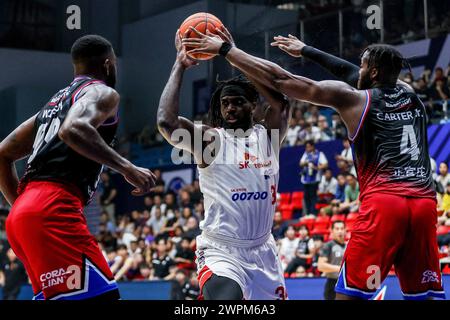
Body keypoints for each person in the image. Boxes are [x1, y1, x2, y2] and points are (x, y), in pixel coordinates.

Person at [184, 27, 445, 299]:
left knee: (349, 294)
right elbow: (352, 74)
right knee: (423, 294)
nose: (358, 69)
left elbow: (281, 80)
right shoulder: (412, 95)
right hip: (424, 203)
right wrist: (306, 50)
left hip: (385, 202)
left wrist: (228, 51)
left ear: (374, 73)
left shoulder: (354, 99)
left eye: (363, 65)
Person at [0, 35, 156, 300]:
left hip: (25, 215)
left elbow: (2, 153)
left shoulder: (51, 105)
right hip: (52, 207)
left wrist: (24, 208)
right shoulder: (101, 92)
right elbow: (72, 129)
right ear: (108, 64)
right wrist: (128, 168)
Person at [157, 31, 290, 300]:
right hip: (222, 250)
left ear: (254, 105)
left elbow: (281, 101)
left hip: (263, 250)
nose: (229, 108)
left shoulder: (269, 136)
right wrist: (179, 64)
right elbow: (167, 122)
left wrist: (232, 53)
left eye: (237, 102)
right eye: (225, 103)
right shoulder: (211, 140)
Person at [318, 221, 346, 300]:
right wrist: (340, 268)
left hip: (347, 285)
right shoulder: (328, 246)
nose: (340, 231)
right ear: (332, 231)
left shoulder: (349, 246)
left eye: (342, 228)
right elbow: (321, 266)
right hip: (332, 284)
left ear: (345, 230)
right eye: (337, 229)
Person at [299, 141, 328, 215]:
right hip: (306, 180)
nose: (307, 148)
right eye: (306, 147)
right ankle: (307, 214)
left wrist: (316, 167)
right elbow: (301, 163)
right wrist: (306, 163)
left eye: (308, 147)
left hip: (315, 180)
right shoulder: (305, 154)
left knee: (313, 197)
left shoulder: (319, 154)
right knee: (306, 197)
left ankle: (313, 213)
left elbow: (325, 164)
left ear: (313, 146)